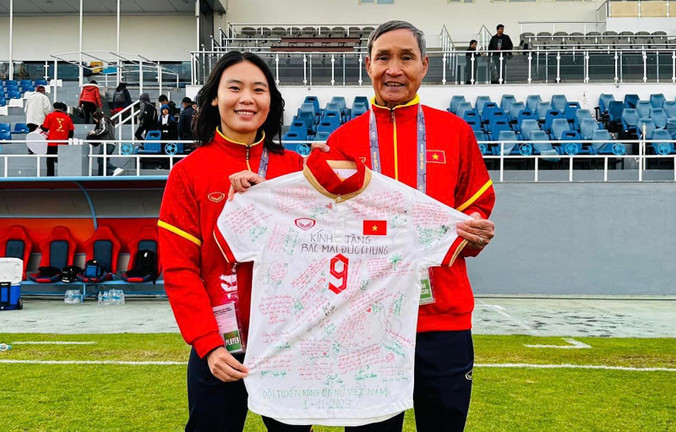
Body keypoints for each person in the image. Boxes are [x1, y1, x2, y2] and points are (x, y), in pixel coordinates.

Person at [321, 21, 496, 432]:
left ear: (424, 65)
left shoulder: (455, 132)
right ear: (368, 65)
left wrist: (475, 232)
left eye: (406, 57)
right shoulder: (343, 141)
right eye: (383, 57)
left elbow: (477, 204)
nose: (394, 69)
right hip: (367, 321)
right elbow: (326, 225)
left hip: (443, 316)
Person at [157, 51, 308, 432]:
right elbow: (179, 268)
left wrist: (284, 199)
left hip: (287, 343)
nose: (247, 99)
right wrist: (208, 342)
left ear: (270, 100)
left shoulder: (296, 169)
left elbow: (316, 253)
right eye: (235, 88)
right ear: (214, 97)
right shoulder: (188, 173)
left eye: (258, 89)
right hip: (220, 344)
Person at [41, 102, 74, 176]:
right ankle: (64, 175)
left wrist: (41, 126)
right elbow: (71, 131)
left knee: (50, 160)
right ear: (62, 109)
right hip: (63, 143)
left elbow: (45, 128)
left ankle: (50, 176)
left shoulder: (50, 116)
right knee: (63, 160)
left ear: (54, 108)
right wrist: (68, 140)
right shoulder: (67, 118)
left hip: (52, 142)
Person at [87, 110, 117, 176]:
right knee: (104, 161)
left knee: (100, 160)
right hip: (110, 143)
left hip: (107, 143)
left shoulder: (103, 119)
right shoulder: (109, 121)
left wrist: (94, 132)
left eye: (95, 119)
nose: (96, 121)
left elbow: (104, 129)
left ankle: (114, 169)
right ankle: (101, 176)